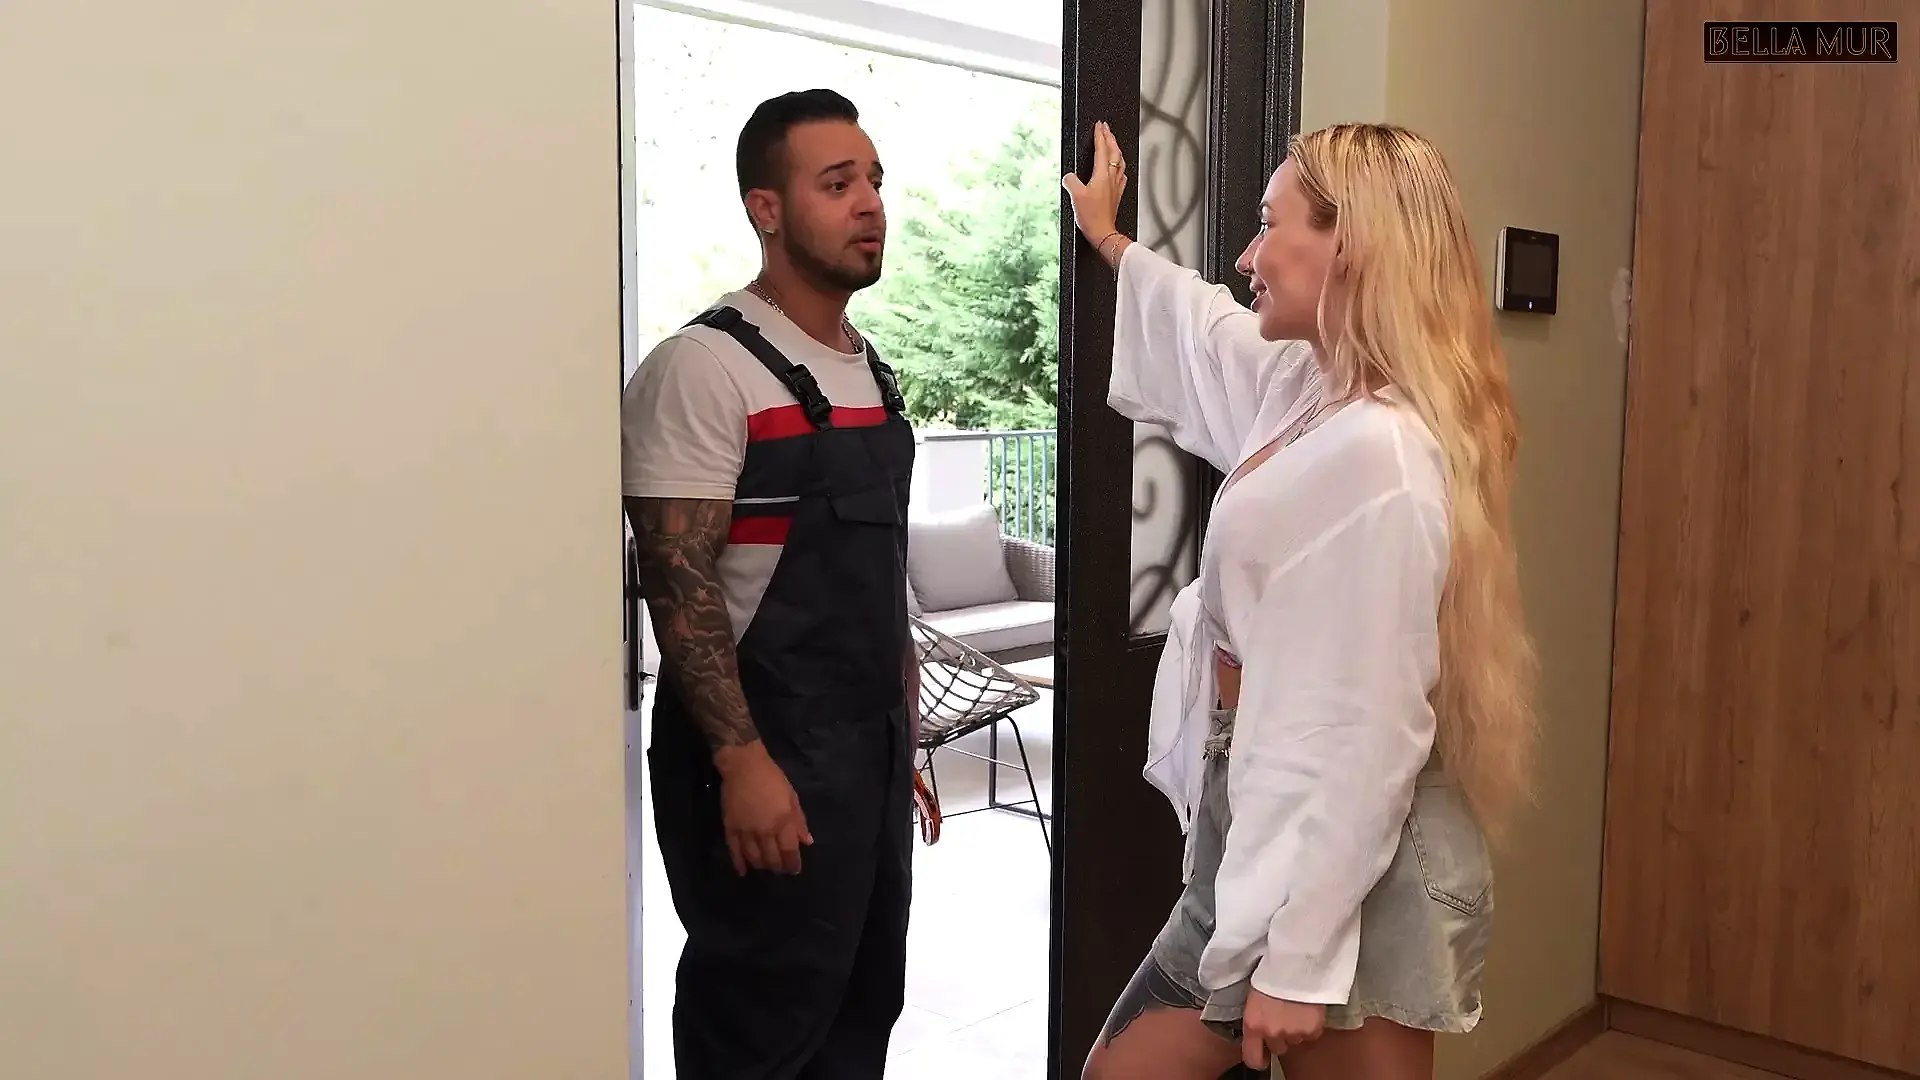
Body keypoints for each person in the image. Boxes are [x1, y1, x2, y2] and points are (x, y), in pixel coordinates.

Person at [1063, 121, 1538, 1080]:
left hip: (1350, 849)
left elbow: (1369, 726)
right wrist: (1110, 240)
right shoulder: (1310, 387)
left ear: (1348, 244)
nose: (1246, 256)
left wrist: (1302, 958)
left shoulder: (1381, 455)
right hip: (1267, 819)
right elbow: (1206, 330)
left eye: (1268, 224)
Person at [622, 88, 921, 1080]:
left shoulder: (868, 372)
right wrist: (743, 763)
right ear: (767, 208)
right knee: (760, 1027)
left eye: (873, 180)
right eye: (836, 184)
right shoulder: (705, 368)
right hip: (764, 757)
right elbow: (679, 586)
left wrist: (902, 737)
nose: (869, 203)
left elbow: (881, 577)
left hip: (869, 757)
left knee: (861, 1009)